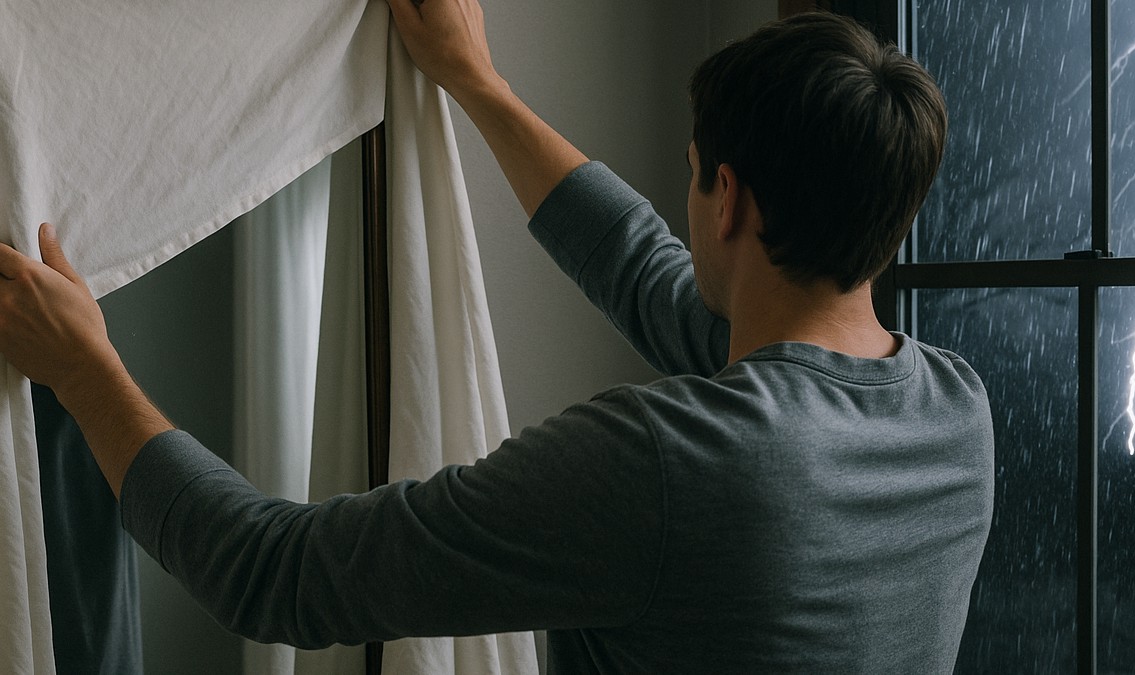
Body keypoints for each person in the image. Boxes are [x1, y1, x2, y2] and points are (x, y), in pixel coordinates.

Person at [0, 1, 994, 671]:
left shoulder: (667, 465)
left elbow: (280, 576)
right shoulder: (954, 412)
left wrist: (83, 369)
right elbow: (650, 275)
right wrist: (478, 84)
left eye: (694, 175)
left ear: (726, 198)